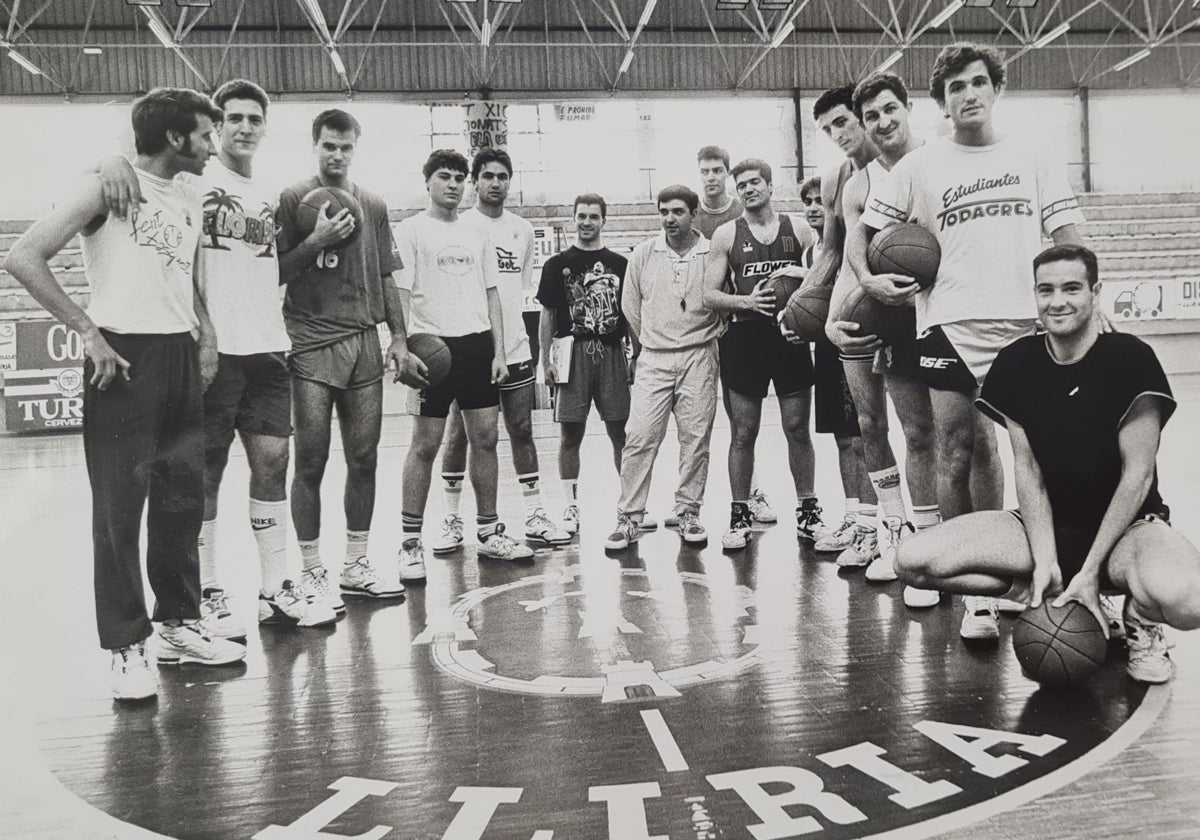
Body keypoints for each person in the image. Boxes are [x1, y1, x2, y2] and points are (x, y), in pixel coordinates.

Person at [5, 87, 247, 701]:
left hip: (179, 355)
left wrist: (207, 332)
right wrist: (87, 331)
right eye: (204, 134)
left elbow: (188, 274)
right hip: (122, 357)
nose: (212, 145)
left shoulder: (192, 192)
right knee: (119, 512)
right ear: (175, 138)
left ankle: (179, 626)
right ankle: (124, 646)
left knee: (180, 500)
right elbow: (24, 256)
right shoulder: (102, 188)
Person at [848, 43, 1085, 638]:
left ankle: (1058, 577)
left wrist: (1088, 299)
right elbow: (864, 234)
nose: (969, 94)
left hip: (1027, 327)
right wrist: (869, 276)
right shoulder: (918, 167)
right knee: (955, 453)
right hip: (949, 326)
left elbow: (1068, 234)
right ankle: (976, 595)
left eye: (979, 83)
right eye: (956, 88)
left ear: (996, 90)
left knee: (1046, 457)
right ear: (942, 102)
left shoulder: (1032, 155)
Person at [99, 79, 337, 633]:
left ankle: (275, 589)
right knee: (202, 473)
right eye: (233, 119)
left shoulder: (267, 196)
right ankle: (207, 590)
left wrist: (316, 242)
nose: (245, 128)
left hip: (267, 345)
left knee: (273, 465)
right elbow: (137, 156)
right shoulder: (192, 180)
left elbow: (270, 269)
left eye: (255, 119)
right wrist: (108, 157)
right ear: (214, 127)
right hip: (212, 349)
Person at [897, 244, 1196, 684]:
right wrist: (1044, 562)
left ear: (1096, 291)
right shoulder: (1018, 362)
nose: (1058, 301)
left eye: (1072, 288)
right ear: (1034, 296)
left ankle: (1139, 619)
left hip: (1128, 529)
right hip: (1043, 525)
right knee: (914, 562)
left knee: (1189, 602)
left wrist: (1092, 571)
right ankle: (1042, 590)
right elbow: (1029, 473)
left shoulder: (1131, 359)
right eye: (1046, 290)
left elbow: (1138, 477)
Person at [277, 109, 418, 607]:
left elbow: (385, 276)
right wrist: (315, 241)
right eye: (328, 146)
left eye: (345, 147)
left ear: (355, 149)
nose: (336, 155)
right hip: (311, 341)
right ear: (314, 146)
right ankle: (312, 569)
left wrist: (398, 338)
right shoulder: (292, 199)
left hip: (363, 340)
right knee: (310, 460)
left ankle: (356, 563)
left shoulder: (373, 204)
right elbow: (275, 270)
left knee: (363, 457)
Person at [828, 74, 940, 608]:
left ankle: (930, 540)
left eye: (887, 111)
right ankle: (892, 527)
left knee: (925, 431)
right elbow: (849, 251)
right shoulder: (857, 184)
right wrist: (836, 313)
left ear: (908, 109)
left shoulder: (940, 162)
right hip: (874, 309)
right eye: (871, 115)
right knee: (869, 424)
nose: (880, 122)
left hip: (929, 311)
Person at [395, 149, 534, 571]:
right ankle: (409, 544)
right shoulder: (410, 230)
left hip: (476, 347)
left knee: (486, 439)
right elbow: (399, 294)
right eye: (444, 177)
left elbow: (492, 293)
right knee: (425, 445)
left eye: (458, 177)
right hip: (432, 348)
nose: (453, 184)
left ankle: (489, 531)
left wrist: (496, 351)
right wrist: (402, 346)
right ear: (428, 182)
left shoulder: (478, 234)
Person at [432, 149, 570, 553]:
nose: (495, 182)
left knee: (522, 430)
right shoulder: (461, 227)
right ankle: (452, 518)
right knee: (459, 436)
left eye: (502, 176)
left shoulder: (522, 230)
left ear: (511, 181)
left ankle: (534, 514)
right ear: (474, 181)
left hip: (514, 348)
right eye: (487, 175)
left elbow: (514, 290)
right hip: (470, 349)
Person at [701, 158, 822, 551]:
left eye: (756, 182)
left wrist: (803, 285)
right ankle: (740, 514)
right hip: (746, 338)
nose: (749, 189)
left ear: (770, 186)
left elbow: (822, 274)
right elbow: (708, 295)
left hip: (790, 336)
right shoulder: (725, 234)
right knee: (744, 431)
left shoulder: (799, 229)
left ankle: (808, 512)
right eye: (743, 185)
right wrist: (747, 301)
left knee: (797, 427)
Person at [604, 185, 722, 550]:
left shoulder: (711, 250)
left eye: (677, 212)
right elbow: (630, 306)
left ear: (694, 214)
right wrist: (651, 342)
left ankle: (688, 512)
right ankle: (629, 517)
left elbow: (722, 296)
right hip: (654, 357)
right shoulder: (643, 253)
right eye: (664, 212)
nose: (670, 218)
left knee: (695, 440)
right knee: (639, 437)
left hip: (700, 355)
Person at [538, 194, 655, 535]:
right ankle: (571, 507)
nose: (586, 222)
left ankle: (630, 506)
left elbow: (632, 313)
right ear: (573, 219)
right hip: (572, 352)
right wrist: (545, 359)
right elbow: (547, 315)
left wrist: (637, 353)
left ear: (605, 220)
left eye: (593, 216)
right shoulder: (555, 265)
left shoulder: (621, 263)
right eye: (581, 216)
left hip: (611, 352)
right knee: (570, 434)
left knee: (622, 434)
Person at [694, 144, 777, 525]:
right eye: (705, 171)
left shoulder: (739, 212)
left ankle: (754, 492)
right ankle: (694, 503)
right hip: (701, 327)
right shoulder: (690, 214)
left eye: (717, 171)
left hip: (739, 329)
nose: (711, 177)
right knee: (709, 421)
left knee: (741, 418)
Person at [796, 175, 875, 559]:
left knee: (863, 437)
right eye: (808, 202)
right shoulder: (812, 254)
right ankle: (852, 516)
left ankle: (874, 523)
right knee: (843, 439)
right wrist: (796, 320)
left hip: (854, 339)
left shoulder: (850, 246)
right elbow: (809, 308)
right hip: (826, 347)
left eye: (819, 201)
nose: (815, 208)